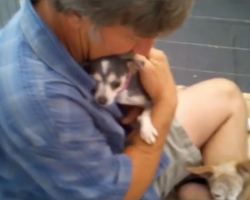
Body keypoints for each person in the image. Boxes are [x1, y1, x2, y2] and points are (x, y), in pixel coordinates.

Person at [0, 0, 248, 199]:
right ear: (76, 14)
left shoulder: (42, 16)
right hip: (115, 183)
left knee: (225, 94)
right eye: (134, 36)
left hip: (91, 152)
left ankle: (202, 186)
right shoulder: (45, 103)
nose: (144, 51)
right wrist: (165, 102)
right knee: (228, 106)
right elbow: (119, 194)